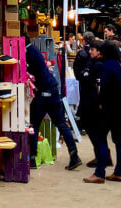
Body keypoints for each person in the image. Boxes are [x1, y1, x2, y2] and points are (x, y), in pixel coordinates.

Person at [26, 42, 82, 170]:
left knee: (33, 123)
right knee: (61, 123)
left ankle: (33, 158)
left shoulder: (28, 52)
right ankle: (74, 156)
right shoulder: (34, 50)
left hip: (44, 92)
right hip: (53, 90)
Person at [85, 41, 121, 183]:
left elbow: (104, 88)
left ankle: (100, 172)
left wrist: (99, 102)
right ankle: (119, 171)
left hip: (108, 108)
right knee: (118, 140)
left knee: (101, 138)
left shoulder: (108, 66)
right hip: (120, 108)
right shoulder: (119, 65)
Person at [78, 40, 106, 176]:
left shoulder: (98, 65)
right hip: (91, 100)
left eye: (93, 50)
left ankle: (102, 157)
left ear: (99, 51)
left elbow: (90, 80)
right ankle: (101, 155)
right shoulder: (94, 62)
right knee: (92, 129)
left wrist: (86, 76)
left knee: (93, 129)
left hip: (92, 102)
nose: (90, 51)